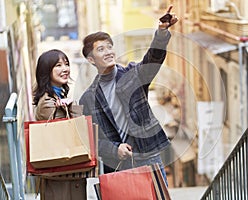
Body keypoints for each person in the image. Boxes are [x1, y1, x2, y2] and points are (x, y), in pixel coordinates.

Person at [79, 5, 178, 184]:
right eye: (101, 49)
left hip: (148, 155)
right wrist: (114, 149)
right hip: (118, 164)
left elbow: (152, 60)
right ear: (91, 59)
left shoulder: (132, 75)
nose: (108, 52)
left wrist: (162, 34)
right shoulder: (88, 99)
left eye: (109, 47)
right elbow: (91, 141)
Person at [32, 49, 86, 200]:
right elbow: (73, 130)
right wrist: (72, 106)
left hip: (65, 174)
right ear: (46, 71)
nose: (65, 69)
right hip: (60, 177)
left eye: (66, 64)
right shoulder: (48, 102)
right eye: (58, 65)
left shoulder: (58, 96)